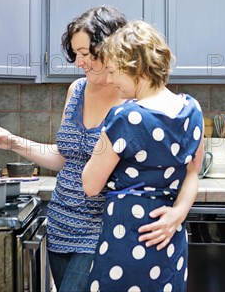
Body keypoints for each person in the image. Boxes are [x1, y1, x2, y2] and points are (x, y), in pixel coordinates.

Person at [0, 7, 196, 292]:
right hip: (61, 224)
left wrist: (180, 211)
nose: (79, 62)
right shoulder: (76, 91)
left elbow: (182, 170)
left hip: (105, 228)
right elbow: (65, 157)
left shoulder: (133, 103)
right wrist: (12, 142)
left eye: (86, 53)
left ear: (111, 48)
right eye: (75, 54)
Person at [83, 20, 204, 292]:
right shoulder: (192, 109)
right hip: (168, 238)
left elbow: (90, 185)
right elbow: (193, 172)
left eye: (114, 72)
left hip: (127, 238)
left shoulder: (124, 117)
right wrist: (178, 214)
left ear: (135, 68)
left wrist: (101, 136)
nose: (110, 80)